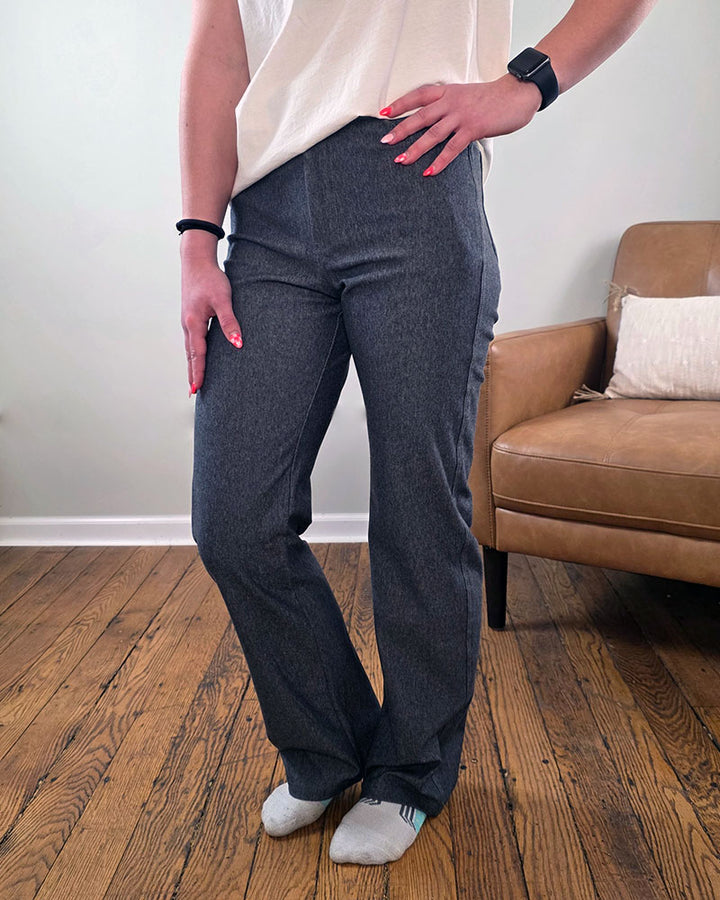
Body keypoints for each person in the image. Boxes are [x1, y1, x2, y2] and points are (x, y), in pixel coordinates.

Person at [179, 0, 658, 867]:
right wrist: (197, 242)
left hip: (416, 184)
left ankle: (412, 773)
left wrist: (524, 87)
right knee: (233, 518)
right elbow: (221, 57)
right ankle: (327, 750)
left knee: (418, 506)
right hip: (268, 211)